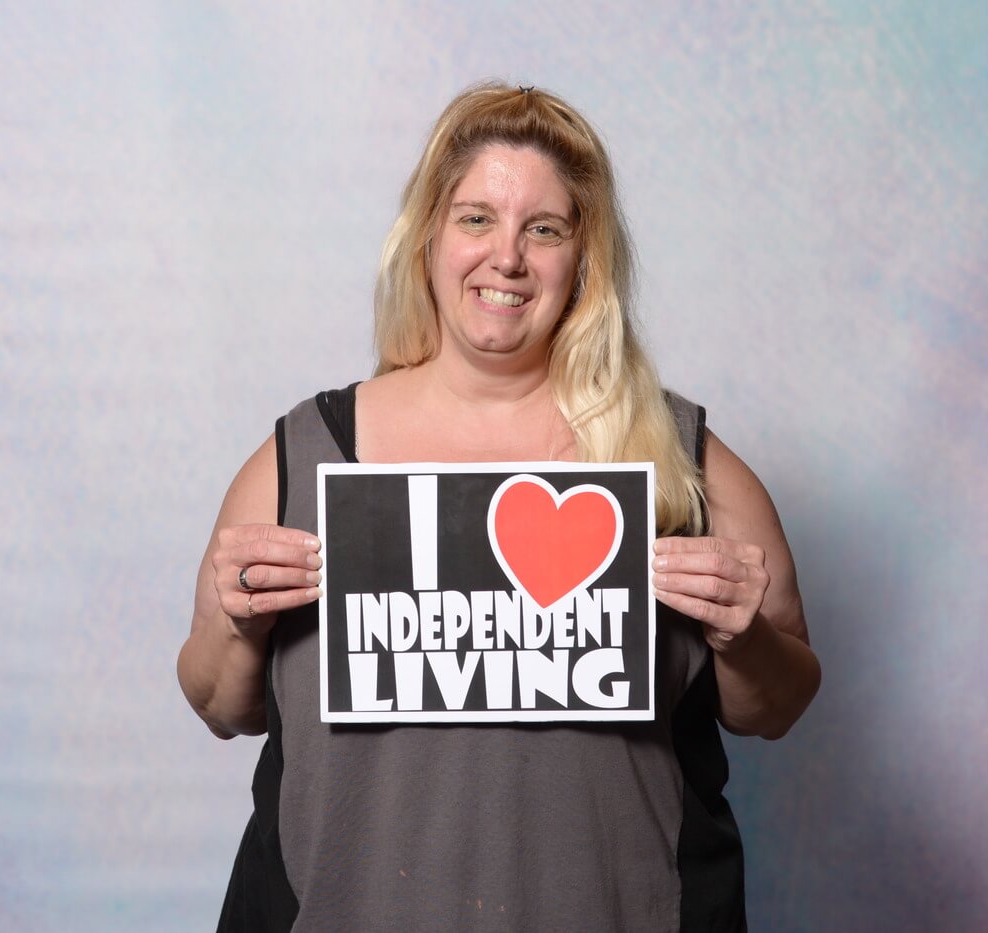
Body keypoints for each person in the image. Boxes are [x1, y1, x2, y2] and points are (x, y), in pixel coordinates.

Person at [178, 81, 821, 932]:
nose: (507, 257)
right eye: (477, 218)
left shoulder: (680, 459)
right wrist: (238, 622)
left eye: (544, 229)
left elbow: (778, 704)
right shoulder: (304, 456)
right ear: (429, 237)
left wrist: (746, 637)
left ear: (584, 258)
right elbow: (220, 704)